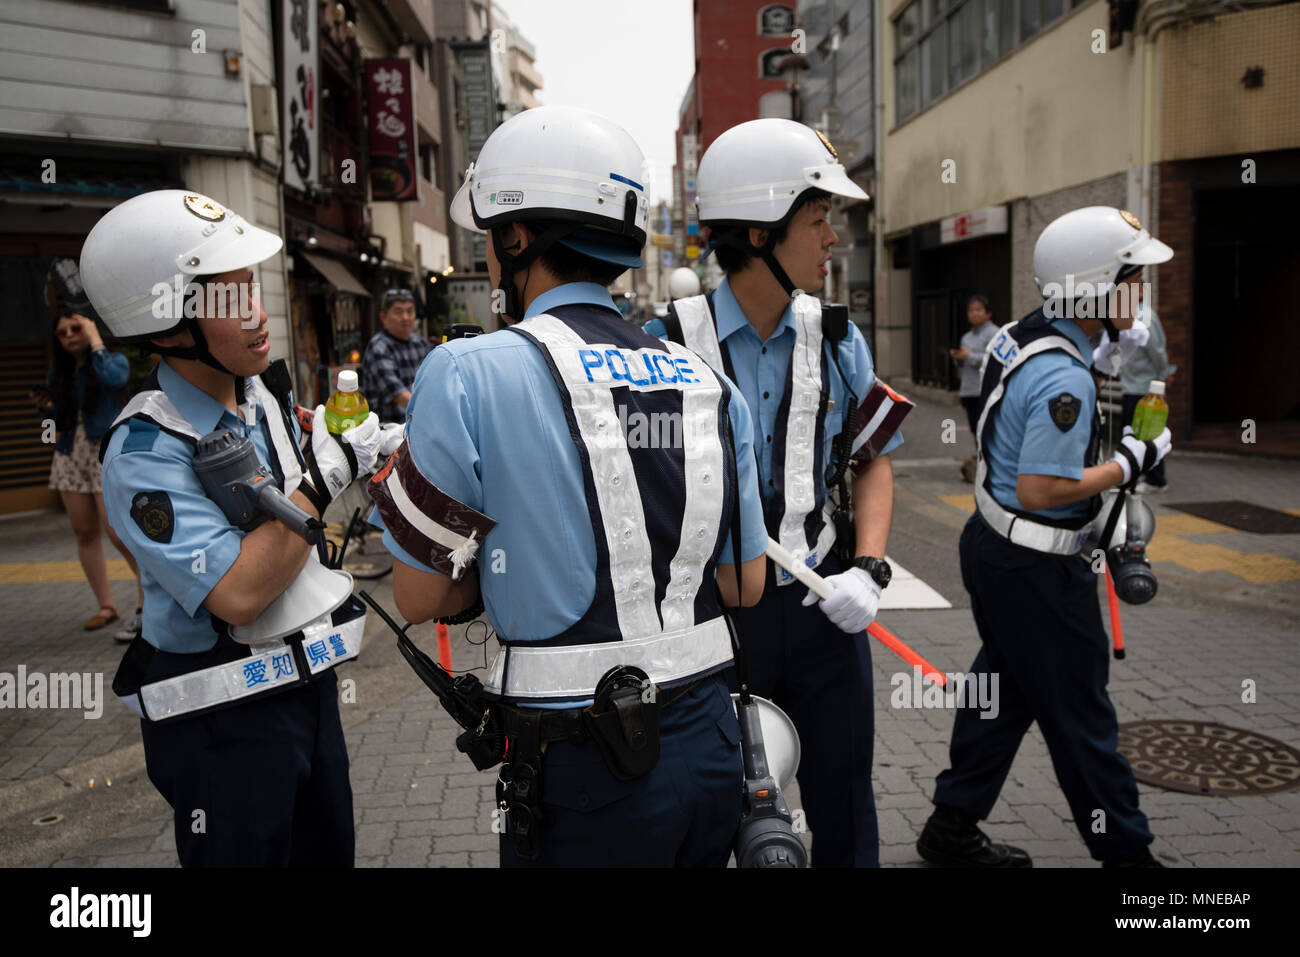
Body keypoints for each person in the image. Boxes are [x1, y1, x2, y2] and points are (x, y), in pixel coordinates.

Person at [368, 105, 769, 867]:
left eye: (490, 236)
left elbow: (421, 599)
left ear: (517, 238)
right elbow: (745, 582)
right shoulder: (710, 382)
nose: (489, 256)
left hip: (582, 766)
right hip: (712, 750)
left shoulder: (466, 372)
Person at [84, 189, 381, 866]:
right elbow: (239, 592)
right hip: (222, 724)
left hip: (308, 689)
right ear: (166, 325)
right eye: (228, 298)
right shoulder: (146, 451)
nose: (258, 313)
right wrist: (322, 480)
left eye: (252, 287)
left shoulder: (264, 395)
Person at [645, 118, 910, 868]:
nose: (833, 239)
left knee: (844, 803)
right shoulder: (664, 345)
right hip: (707, 617)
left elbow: (872, 460)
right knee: (713, 807)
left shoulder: (836, 338)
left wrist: (870, 567)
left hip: (822, 602)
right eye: (819, 220)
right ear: (760, 233)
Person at [917, 206, 1173, 868]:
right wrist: (1129, 462)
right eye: (1134, 278)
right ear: (1096, 288)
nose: (1142, 293)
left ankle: (951, 826)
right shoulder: (1066, 377)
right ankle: (1134, 864)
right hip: (1037, 565)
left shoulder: (1021, 333)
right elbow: (1041, 487)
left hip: (996, 549)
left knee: (1003, 692)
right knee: (1082, 719)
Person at [32, 312, 143, 636]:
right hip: (69, 457)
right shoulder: (58, 376)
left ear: (91, 328)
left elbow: (115, 381)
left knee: (119, 534)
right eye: (62, 331)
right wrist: (46, 412)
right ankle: (106, 606)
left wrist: (96, 342)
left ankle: (147, 605)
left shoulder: (112, 362)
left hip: (104, 454)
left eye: (76, 328)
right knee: (84, 533)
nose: (68, 334)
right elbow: (49, 434)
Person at [1121, 282, 1174, 493]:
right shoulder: (1127, 315)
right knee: (1135, 432)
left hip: (1144, 386)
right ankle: (1140, 474)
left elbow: (1157, 351)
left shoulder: (1145, 316)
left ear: (1142, 292)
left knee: (1148, 432)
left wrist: (1163, 375)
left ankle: (1156, 479)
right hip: (1131, 384)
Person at [359, 288, 431, 423]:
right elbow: (398, 394)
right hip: (387, 430)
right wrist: (433, 412)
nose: (405, 317)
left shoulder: (421, 343)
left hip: (418, 423)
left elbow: (433, 381)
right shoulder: (378, 347)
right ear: (383, 317)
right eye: (398, 312)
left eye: (410, 311)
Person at [950, 294, 998, 483]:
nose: (974, 313)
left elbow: (991, 360)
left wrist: (969, 356)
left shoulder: (995, 332)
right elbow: (961, 365)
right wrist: (957, 357)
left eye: (979, 309)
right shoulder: (967, 336)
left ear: (988, 313)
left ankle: (990, 466)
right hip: (969, 389)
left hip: (985, 389)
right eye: (971, 310)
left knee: (987, 428)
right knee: (975, 429)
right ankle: (982, 464)